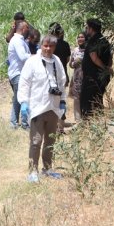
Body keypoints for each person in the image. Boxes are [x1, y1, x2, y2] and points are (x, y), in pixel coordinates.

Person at [17, 35, 67, 182]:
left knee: (50, 140)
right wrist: (24, 102)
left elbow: (61, 82)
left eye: (51, 46)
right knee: (36, 141)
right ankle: (33, 171)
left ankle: (48, 168)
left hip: (53, 107)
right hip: (37, 107)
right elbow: (24, 83)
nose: (48, 48)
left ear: (54, 47)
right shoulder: (32, 61)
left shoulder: (56, 61)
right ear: (41, 45)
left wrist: (63, 101)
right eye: (45, 45)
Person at [80, 18, 113, 117]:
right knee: (97, 99)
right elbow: (110, 57)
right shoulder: (104, 40)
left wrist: (104, 68)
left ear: (91, 29)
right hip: (102, 76)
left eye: (87, 27)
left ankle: (88, 124)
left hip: (93, 77)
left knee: (88, 101)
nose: (86, 30)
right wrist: (108, 68)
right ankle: (98, 121)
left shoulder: (93, 41)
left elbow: (94, 57)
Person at [8, 20, 32, 129]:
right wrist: (35, 56)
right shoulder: (17, 41)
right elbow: (23, 57)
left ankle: (14, 123)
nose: (29, 30)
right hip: (18, 74)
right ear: (22, 29)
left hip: (17, 73)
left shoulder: (20, 40)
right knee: (22, 98)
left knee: (17, 99)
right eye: (27, 28)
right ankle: (24, 124)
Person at [49, 22, 72, 132]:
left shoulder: (49, 45)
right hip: (63, 75)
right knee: (62, 101)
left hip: (51, 76)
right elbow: (67, 60)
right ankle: (61, 126)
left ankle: (53, 125)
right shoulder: (66, 44)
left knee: (52, 102)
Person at [69, 32, 86, 123]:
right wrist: (74, 63)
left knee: (85, 98)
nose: (80, 39)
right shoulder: (75, 51)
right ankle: (78, 121)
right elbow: (70, 64)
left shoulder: (88, 50)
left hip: (86, 78)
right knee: (76, 99)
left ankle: (87, 119)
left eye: (82, 37)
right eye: (78, 37)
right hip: (77, 78)